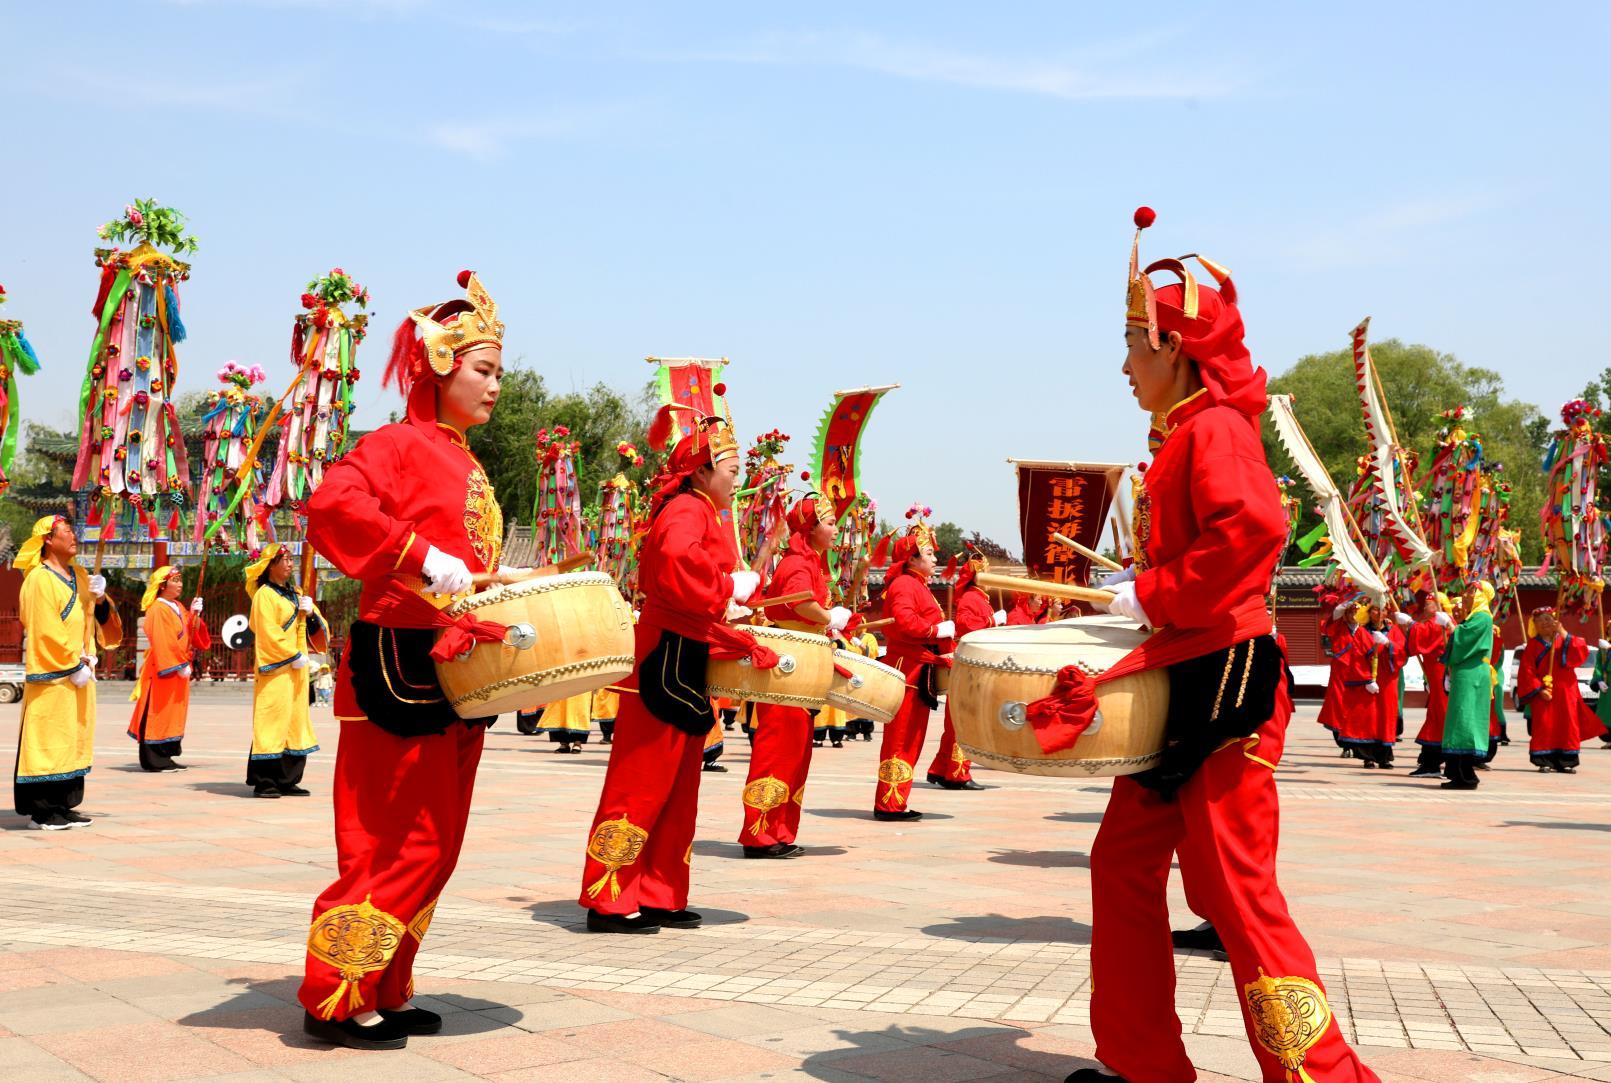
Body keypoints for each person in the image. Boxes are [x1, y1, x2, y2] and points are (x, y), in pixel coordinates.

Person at [1066, 209, 1379, 1082]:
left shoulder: (1216, 431)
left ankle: (1323, 1075)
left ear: (1172, 347)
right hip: (1185, 679)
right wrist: (1146, 590)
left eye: (1133, 345)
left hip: (1227, 686)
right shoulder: (1185, 434)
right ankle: (1142, 1062)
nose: (1123, 365)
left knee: (1234, 890)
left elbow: (1251, 530)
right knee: (1121, 863)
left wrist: (1153, 591)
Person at [296, 270, 520, 1050]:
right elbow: (331, 506)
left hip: (453, 662)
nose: (495, 385)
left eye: (498, 371)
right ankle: (337, 989)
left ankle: (386, 982)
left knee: (438, 837)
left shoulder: (462, 458)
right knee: (396, 835)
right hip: (401, 659)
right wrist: (419, 555)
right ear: (437, 364)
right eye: (483, 369)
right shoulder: (397, 444)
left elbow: (463, 565)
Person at [578, 403, 765, 933]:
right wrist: (728, 587)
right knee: (641, 781)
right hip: (665, 656)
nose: (738, 482)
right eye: (732, 472)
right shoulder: (687, 510)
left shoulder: (701, 510)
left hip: (684, 653)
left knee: (679, 785)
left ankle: (660, 892)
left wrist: (726, 601)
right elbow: (679, 565)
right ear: (703, 469)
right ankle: (609, 897)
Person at [738, 491, 850, 856]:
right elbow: (800, 602)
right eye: (830, 523)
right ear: (811, 526)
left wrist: (827, 623)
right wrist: (828, 617)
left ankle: (780, 830)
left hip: (803, 666)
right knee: (777, 750)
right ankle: (758, 833)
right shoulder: (797, 564)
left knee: (796, 752)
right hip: (788, 669)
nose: (836, 529)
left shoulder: (808, 561)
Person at [12, 515, 122, 830]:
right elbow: (44, 629)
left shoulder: (80, 574)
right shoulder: (39, 578)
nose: (74, 536)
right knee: (48, 738)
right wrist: (72, 664)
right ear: (48, 538)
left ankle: (63, 804)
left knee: (73, 737)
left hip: (81, 670)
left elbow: (98, 620)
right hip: (55, 675)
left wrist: (100, 599)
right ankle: (42, 810)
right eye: (67, 531)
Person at [872, 514, 954, 821]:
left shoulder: (916, 584)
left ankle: (896, 800)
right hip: (907, 673)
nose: (935, 558)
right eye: (930, 553)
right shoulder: (905, 584)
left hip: (918, 671)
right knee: (901, 738)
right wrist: (937, 631)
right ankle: (888, 803)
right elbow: (905, 623)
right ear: (912, 558)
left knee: (911, 738)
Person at [244, 543, 328, 797]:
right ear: (270, 565)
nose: (290, 564)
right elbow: (267, 631)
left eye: (292, 559)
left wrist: (311, 612)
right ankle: (265, 780)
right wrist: (291, 655)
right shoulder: (264, 595)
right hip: (277, 669)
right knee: (272, 721)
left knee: (295, 721)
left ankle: (288, 778)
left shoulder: (296, 593)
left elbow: (320, 629)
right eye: (285, 559)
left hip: (297, 671)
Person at [925, 549, 1002, 789]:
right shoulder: (972, 597)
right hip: (969, 664)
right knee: (965, 721)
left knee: (956, 721)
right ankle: (958, 773)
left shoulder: (978, 597)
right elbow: (966, 625)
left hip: (973, 664)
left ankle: (940, 768)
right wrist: (993, 622)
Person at [126, 565, 209, 772]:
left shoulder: (178, 606)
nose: (180, 584)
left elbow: (189, 631)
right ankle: (153, 758)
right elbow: (164, 640)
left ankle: (166, 754)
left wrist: (195, 614)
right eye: (175, 580)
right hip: (164, 668)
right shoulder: (158, 609)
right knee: (158, 710)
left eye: (181, 580)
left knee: (173, 712)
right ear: (163, 585)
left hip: (179, 668)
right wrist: (178, 664)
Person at [1516, 607, 1600, 773]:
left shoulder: (1563, 639)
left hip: (1566, 691)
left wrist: (1562, 632)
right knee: (1545, 725)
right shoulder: (1532, 646)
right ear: (1535, 625)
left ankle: (1566, 761)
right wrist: (1539, 689)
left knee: (1568, 725)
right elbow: (1526, 672)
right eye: (1540, 620)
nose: (1545, 623)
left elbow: (1580, 651)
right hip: (1545, 693)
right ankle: (1544, 759)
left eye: (1548, 619)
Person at [1440, 582, 1497, 789]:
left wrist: (1451, 627)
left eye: (1473, 591)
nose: (1468, 594)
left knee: (1465, 720)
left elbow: (1463, 638)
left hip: (1472, 675)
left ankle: (1466, 776)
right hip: (1465, 672)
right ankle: (1457, 772)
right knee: (1459, 719)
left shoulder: (1483, 617)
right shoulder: (1474, 617)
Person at [1339, 603, 1403, 769]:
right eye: (1375, 609)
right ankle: (1368, 757)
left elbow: (1403, 652)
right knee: (1369, 717)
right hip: (1368, 680)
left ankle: (1384, 757)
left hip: (1387, 679)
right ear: (1368, 612)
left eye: (1382, 609)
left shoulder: (1393, 630)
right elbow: (1357, 656)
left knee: (1386, 715)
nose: (1379, 612)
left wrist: (1388, 644)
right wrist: (1367, 679)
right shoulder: (1362, 631)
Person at [1407, 592, 1454, 778]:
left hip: (1441, 673)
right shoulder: (1437, 621)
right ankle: (1430, 762)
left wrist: (1410, 625)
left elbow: (1424, 636)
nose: (1425, 607)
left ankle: (1435, 761)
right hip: (1434, 675)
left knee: (1440, 714)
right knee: (1436, 713)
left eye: (1429, 603)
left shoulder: (1441, 621)